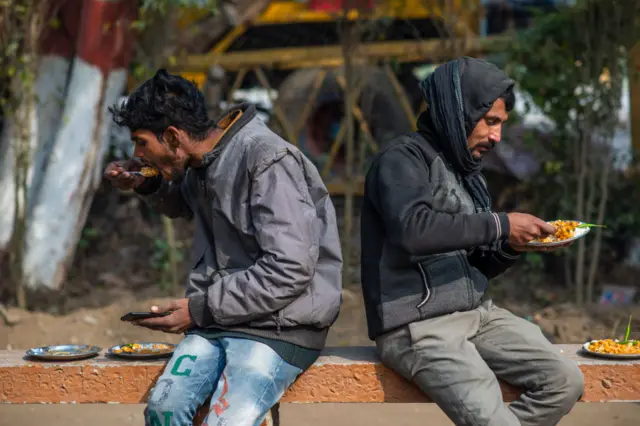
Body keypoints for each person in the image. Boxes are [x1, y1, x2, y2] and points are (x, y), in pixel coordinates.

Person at [104, 69, 343, 426]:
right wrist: (145, 184)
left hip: (280, 327)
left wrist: (199, 308)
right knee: (163, 410)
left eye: (142, 142)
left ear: (172, 137)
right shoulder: (204, 160)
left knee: (224, 422)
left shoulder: (267, 159)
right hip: (221, 321)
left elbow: (289, 268)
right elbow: (187, 202)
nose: (139, 153)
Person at [360, 57, 584, 426]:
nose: (496, 136)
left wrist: (512, 246)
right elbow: (413, 230)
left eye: (501, 125)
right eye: (490, 121)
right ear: (459, 112)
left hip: (477, 316)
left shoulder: (467, 173)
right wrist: (501, 225)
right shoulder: (401, 160)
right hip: (418, 328)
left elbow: (477, 263)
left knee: (564, 381)